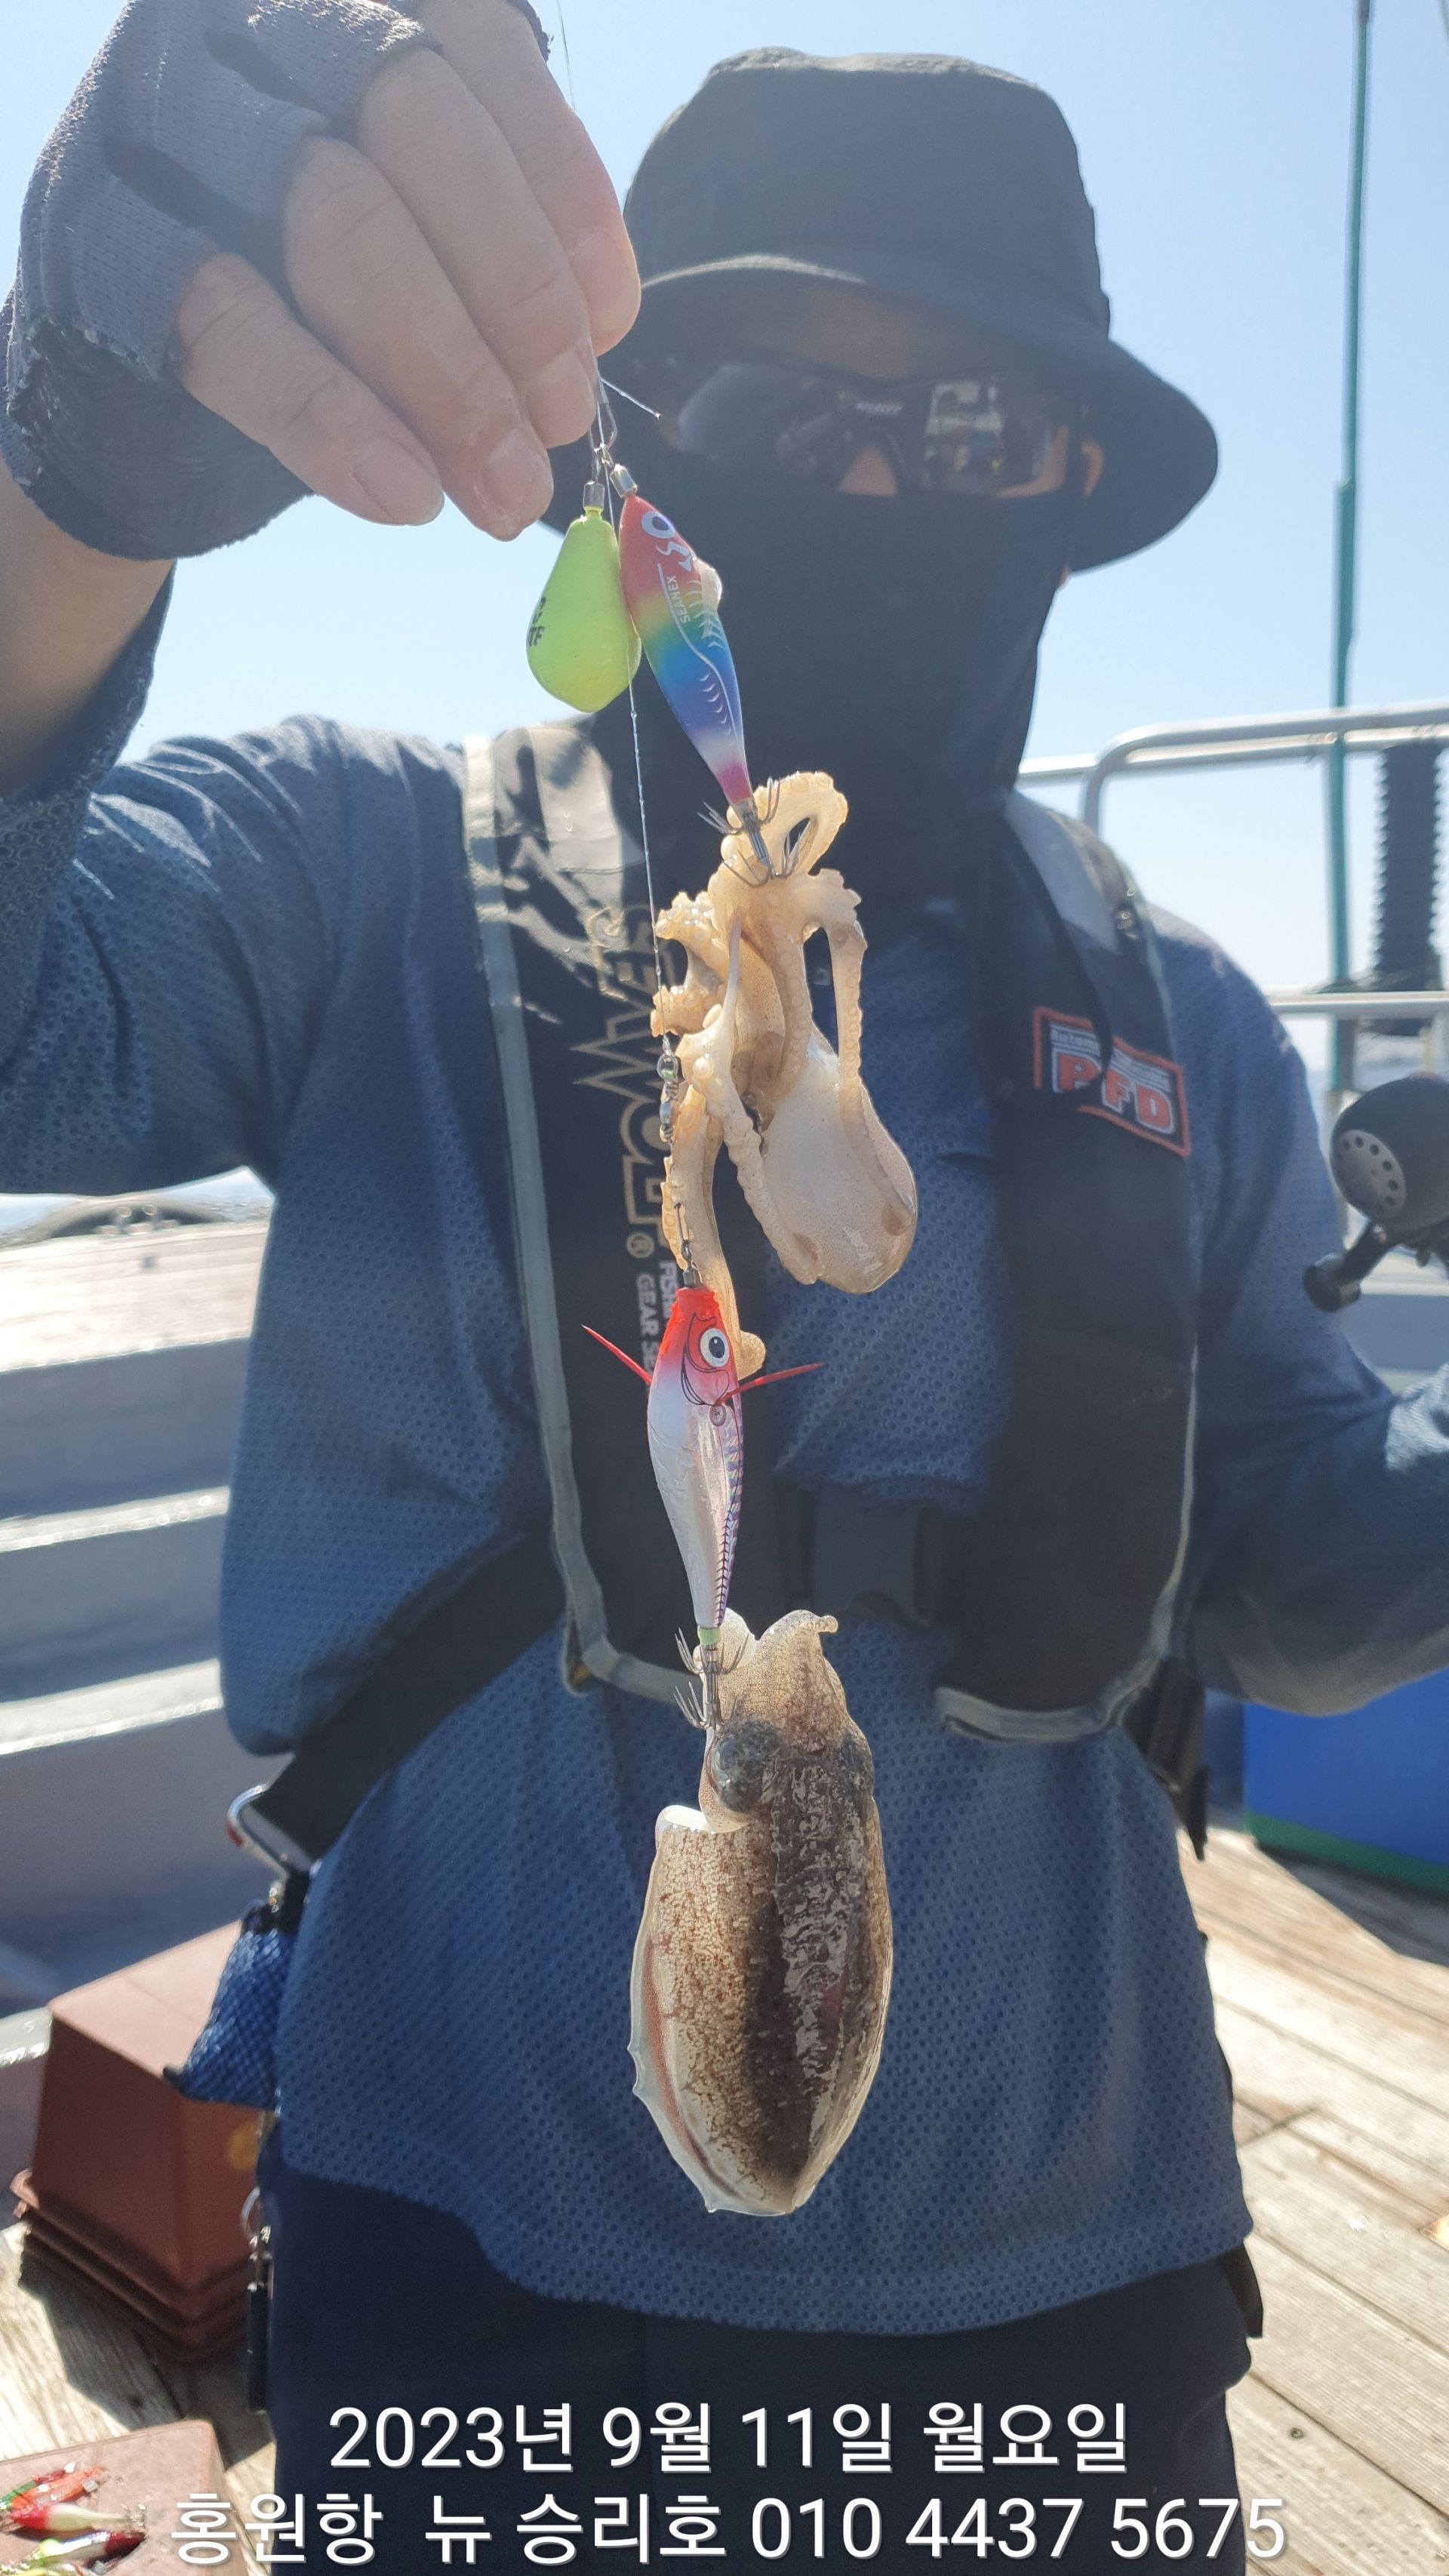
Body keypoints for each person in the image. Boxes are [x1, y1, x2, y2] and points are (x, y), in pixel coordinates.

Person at [4, 11, 1447, 2569]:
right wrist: (68, 480)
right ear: (633, 457)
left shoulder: (1190, 1036)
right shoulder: (361, 877)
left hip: (1069, 2244)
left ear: (1071, 490)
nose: (890, 494)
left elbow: (1296, 1566)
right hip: (482, 2215)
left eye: (976, 432)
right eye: (793, 412)